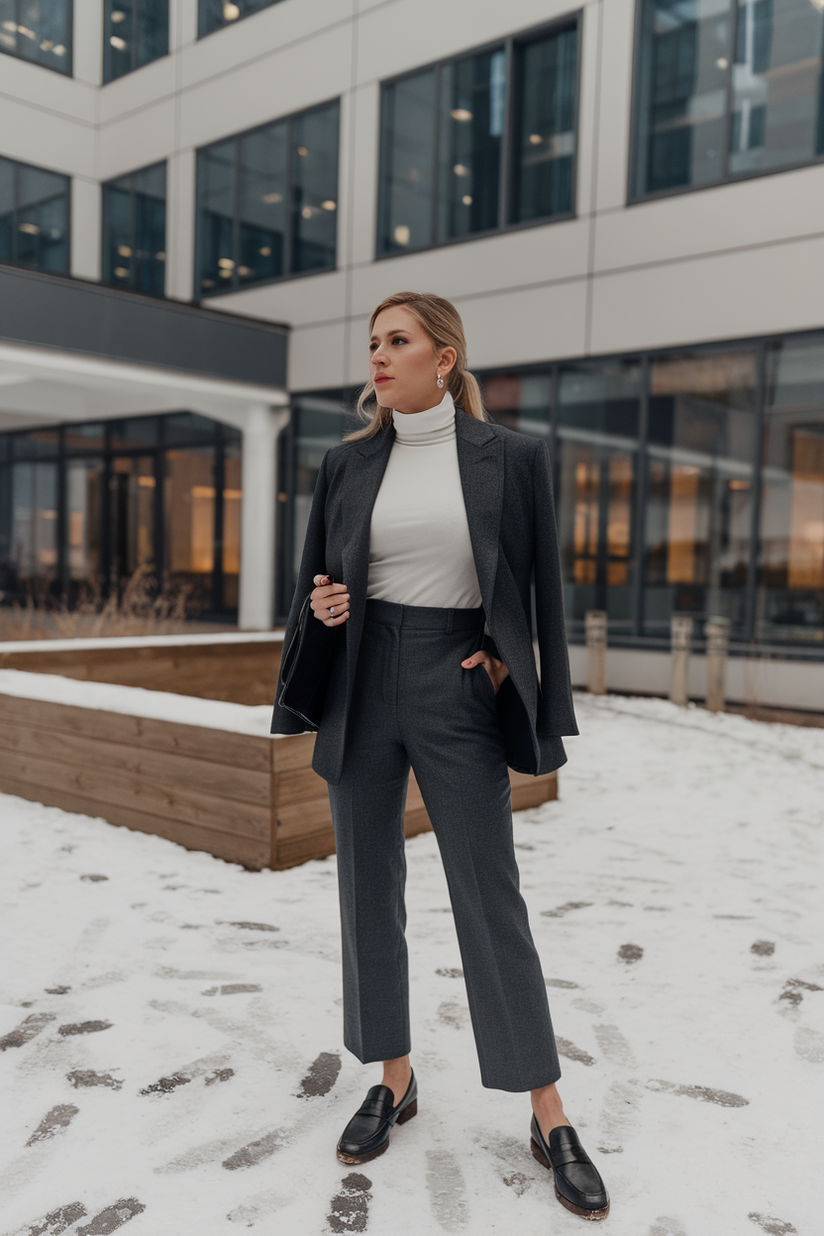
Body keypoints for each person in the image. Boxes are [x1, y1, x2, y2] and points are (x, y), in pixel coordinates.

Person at [270, 291, 609, 1221]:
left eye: (398, 341)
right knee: (366, 888)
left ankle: (547, 1110)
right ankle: (394, 1077)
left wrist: (510, 661)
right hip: (361, 679)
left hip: (455, 677)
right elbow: (317, 586)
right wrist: (326, 609)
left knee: (487, 891)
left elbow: (537, 589)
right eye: (372, 342)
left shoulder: (513, 460)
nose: (377, 356)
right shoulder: (346, 464)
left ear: (445, 357)